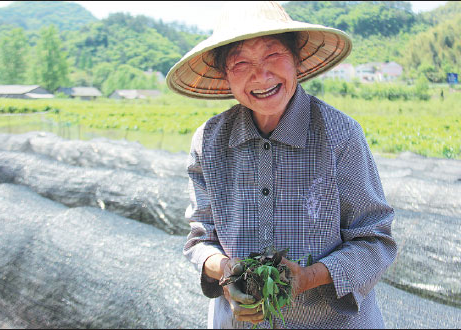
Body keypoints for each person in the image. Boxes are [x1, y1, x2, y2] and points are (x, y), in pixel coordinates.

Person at [166, 2, 397, 328]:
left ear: (296, 60)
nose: (260, 76)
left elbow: (375, 239)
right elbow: (200, 240)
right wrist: (227, 270)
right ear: (225, 76)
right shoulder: (209, 141)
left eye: (273, 56)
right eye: (241, 63)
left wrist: (309, 277)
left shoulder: (339, 134)